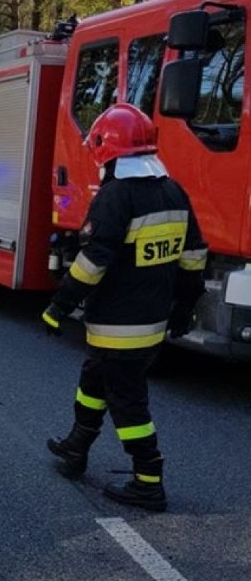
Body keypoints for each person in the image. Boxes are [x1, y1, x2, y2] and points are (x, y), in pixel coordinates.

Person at [42, 103, 207, 511]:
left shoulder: (116, 196)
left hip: (118, 323)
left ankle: (148, 479)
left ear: (105, 147)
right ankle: (76, 447)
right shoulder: (173, 191)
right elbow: (194, 255)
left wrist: (59, 306)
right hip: (149, 321)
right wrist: (184, 308)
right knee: (94, 381)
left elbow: (93, 261)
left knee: (128, 401)